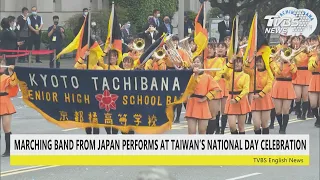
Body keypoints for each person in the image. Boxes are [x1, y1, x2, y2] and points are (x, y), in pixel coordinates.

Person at [185, 56, 221, 134]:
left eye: (198, 62)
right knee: (191, 132)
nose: (196, 63)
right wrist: (195, 75)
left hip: (202, 104)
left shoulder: (208, 77)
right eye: (194, 62)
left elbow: (216, 89)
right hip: (192, 103)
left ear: (202, 64)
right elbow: (190, 88)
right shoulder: (189, 76)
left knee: (202, 131)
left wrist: (207, 97)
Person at [244, 51, 274, 134]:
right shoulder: (253, 72)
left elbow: (269, 85)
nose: (258, 64)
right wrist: (251, 59)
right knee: (256, 125)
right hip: (255, 99)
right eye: (257, 62)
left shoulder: (268, 72)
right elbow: (245, 69)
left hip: (265, 98)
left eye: (260, 62)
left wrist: (260, 94)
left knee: (264, 124)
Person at [270, 47, 297, 134]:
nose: (284, 56)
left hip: (288, 86)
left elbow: (294, 73)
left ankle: (283, 128)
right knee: (278, 111)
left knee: (285, 110)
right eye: (283, 54)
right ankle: (281, 125)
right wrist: (281, 63)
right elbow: (277, 73)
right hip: (278, 86)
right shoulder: (276, 63)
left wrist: (289, 62)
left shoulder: (292, 63)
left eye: (285, 54)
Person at [223, 54, 251, 134]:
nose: (237, 64)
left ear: (242, 64)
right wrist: (231, 61)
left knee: (241, 127)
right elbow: (223, 71)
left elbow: (246, 90)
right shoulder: (229, 74)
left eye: (239, 62)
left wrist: (237, 99)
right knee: (232, 126)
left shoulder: (246, 76)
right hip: (231, 99)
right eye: (236, 62)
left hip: (241, 100)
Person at [291, 37, 312, 120]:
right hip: (298, 74)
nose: (304, 45)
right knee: (297, 96)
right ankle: (298, 112)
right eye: (303, 44)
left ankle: (304, 113)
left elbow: (311, 58)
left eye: (306, 44)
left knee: (305, 96)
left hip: (307, 74)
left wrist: (307, 50)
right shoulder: (296, 52)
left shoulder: (310, 52)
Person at [0, 61, 18, 157]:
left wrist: (11, 72)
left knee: (6, 127)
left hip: (5, 102)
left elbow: (13, 83)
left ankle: (9, 150)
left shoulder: (7, 78)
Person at [211, 42, 229, 134]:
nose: (220, 48)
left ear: (226, 49)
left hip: (225, 83)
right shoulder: (214, 59)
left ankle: (222, 130)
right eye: (219, 47)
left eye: (223, 47)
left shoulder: (228, 59)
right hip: (216, 83)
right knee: (216, 109)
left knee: (224, 109)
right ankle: (217, 128)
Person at [307, 35, 320, 128]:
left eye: (315, 41)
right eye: (312, 41)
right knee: (313, 104)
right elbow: (310, 68)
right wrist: (317, 58)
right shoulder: (311, 54)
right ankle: (318, 118)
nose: (314, 42)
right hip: (314, 78)